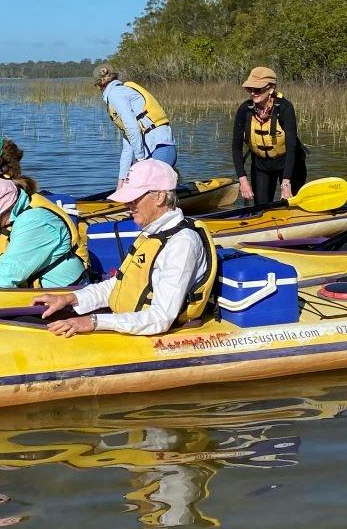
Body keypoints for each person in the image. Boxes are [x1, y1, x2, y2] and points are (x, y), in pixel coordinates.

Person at [32, 159, 218, 336]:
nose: (128, 205)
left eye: (135, 198)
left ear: (160, 197)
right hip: (130, 318)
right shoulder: (152, 232)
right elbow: (118, 285)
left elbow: (161, 318)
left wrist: (94, 322)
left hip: (156, 333)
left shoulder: (182, 244)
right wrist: (70, 299)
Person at [0, 152, 87, 289]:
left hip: (60, 295)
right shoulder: (3, 220)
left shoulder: (37, 221)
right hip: (24, 292)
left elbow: (8, 274)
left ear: (8, 208)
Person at [232, 65, 307, 206]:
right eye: (250, 89)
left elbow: (292, 147)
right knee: (261, 207)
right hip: (261, 165)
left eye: (258, 89)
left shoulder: (285, 108)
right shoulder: (244, 110)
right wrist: (243, 181)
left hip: (289, 163)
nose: (253, 93)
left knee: (292, 204)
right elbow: (236, 148)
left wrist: (286, 183)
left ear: (271, 88)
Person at [93, 65, 177, 183]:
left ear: (99, 84)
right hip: (162, 148)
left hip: (160, 149)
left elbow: (132, 128)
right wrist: (120, 182)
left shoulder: (114, 94)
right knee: (129, 180)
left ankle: (170, 189)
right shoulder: (120, 91)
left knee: (140, 182)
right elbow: (128, 144)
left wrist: (140, 160)